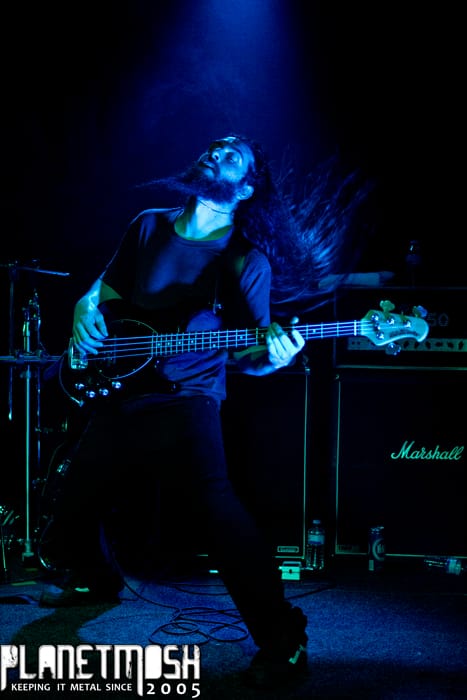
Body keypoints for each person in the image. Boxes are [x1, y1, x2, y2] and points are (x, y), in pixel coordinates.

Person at [39, 134, 363, 688]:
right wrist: (83, 307)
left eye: (232, 155)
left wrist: (277, 356)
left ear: (246, 188)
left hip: (189, 400)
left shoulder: (244, 261)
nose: (216, 152)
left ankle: (284, 640)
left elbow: (250, 356)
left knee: (220, 519)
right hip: (122, 389)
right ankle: (96, 578)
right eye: (215, 147)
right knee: (70, 504)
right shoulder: (148, 225)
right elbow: (106, 288)